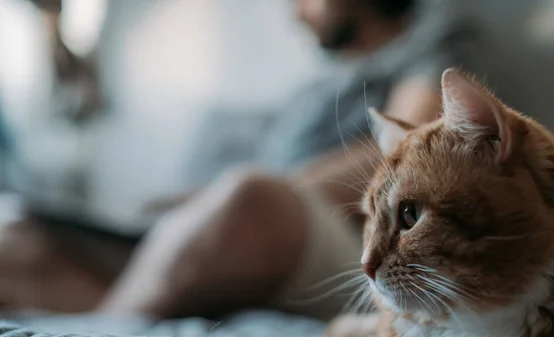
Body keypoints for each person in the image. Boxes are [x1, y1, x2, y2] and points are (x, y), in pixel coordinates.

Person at [0, 0, 481, 319]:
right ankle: (129, 302)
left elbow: (408, 154)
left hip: (327, 228)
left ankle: (103, 330)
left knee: (250, 195)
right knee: (15, 240)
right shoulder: (315, 87)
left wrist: (260, 190)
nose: (295, 13)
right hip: (231, 225)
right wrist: (196, 203)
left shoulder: (430, 42)